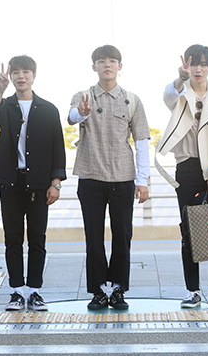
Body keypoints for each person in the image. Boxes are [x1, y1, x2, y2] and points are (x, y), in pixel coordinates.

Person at [67, 45, 150, 310]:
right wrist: (82, 112)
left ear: (119, 66)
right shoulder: (83, 96)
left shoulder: (132, 100)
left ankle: (117, 289)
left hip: (123, 178)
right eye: (101, 61)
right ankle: (99, 291)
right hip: (90, 176)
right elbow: (71, 117)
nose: (107, 65)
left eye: (112, 61)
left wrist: (143, 180)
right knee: (93, 237)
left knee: (122, 236)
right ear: (94, 66)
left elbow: (142, 141)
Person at [0, 56, 66, 311]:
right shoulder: (7, 106)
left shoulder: (49, 110)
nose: (21, 76)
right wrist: (0, 88)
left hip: (39, 183)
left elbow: (58, 147)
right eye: (16, 73)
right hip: (10, 181)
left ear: (34, 75)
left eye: (26, 72)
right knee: (12, 238)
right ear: (11, 77)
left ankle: (34, 291)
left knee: (37, 238)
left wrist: (56, 182)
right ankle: (17, 291)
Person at [156, 45, 208, 308]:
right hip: (187, 167)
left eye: (203, 64)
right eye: (193, 64)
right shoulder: (180, 93)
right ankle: (193, 291)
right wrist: (180, 77)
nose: (198, 69)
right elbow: (168, 96)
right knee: (189, 230)